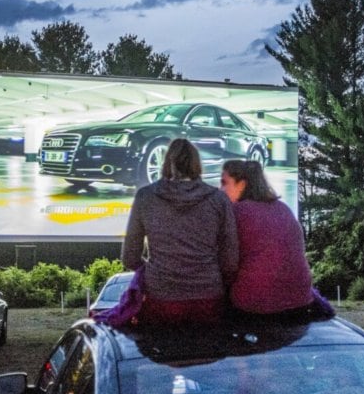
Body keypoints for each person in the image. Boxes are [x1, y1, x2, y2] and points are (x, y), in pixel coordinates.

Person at [119, 138, 239, 325]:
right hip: (208, 297)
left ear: (167, 163)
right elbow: (230, 261)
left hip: (161, 297)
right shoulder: (219, 200)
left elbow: (129, 257)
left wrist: (156, 272)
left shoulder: (145, 197)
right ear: (196, 164)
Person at [220, 159, 330, 317]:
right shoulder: (284, 209)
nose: (220, 189)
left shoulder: (236, 213)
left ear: (242, 184)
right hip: (301, 302)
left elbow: (226, 264)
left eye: (224, 183)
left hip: (256, 307)